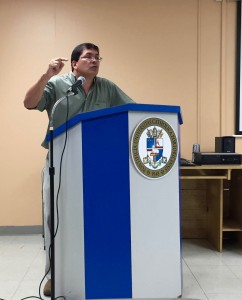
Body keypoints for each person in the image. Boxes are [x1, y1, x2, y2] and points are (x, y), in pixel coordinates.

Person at [23, 43, 135, 297]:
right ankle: (54, 275)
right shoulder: (58, 85)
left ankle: (94, 268)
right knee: (56, 220)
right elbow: (29, 103)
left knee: (94, 219)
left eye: (97, 57)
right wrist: (47, 75)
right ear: (75, 63)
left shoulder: (106, 87)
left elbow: (130, 111)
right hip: (60, 164)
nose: (94, 60)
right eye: (88, 57)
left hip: (97, 165)